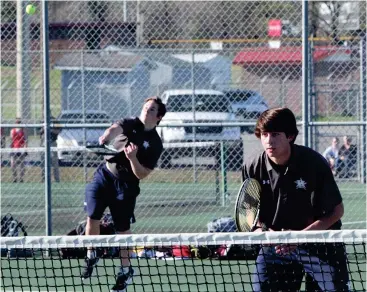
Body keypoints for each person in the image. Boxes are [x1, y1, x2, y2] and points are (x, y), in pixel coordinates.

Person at [242, 108, 349, 291]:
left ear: (290, 136)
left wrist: (300, 237)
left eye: (275, 134)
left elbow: (336, 211)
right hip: (275, 247)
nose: (269, 140)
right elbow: (248, 215)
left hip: (319, 245)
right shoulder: (252, 167)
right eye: (265, 134)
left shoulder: (314, 163)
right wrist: (264, 233)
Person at [81, 96, 166, 292]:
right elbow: (114, 129)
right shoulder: (131, 122)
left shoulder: (155, 143)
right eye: (146, 107)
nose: (147, 111)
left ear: (159, 117)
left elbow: (142, 174)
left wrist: (133, 159)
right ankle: (91, 255)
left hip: (127, 186)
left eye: (152, 109)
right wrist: (105, 137)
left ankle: (126, 270)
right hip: (105, 175)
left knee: (122, 229)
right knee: (92, 216)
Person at [39, 116, 61, 182]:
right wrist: (43, 129)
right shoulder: (42, 121)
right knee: (43, 162)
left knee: (54, 162)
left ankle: (56, 179)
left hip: (52, 142)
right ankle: (44, 179)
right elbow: (39, 131)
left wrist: (50, 129)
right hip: (43, 143)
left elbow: (58, 130)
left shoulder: (55, 121)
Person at [10, 118, 28, 183]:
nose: (18, 123)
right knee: (13, 164)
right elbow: (11, 140)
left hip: (21, 149)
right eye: (17, 122)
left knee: (22, 164)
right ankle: (14, 178)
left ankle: (21, 178)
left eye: (19, 122)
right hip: (14, 148)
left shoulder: (23, 130)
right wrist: (11, 148)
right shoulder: (12, 130)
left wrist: (25, 149)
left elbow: (26, 140)